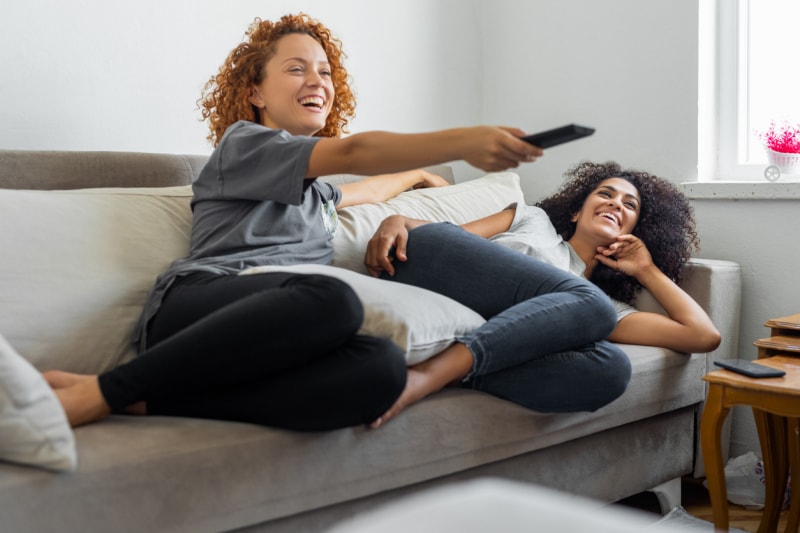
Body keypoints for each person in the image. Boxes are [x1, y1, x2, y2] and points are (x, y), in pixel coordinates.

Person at [43, 13, 545, 431]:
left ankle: (147, 402)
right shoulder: (244, 145)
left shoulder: (317, 193)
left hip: (276, 330)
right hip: (199, 308)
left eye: (326, 72)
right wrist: (462, 142)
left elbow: (363, 189)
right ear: (256, 93)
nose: (318, 82)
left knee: (380, 367)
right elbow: (356, 152)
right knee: (331, 297)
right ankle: (106, 389)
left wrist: (415, 176)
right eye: (297, 68)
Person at [364, 161, 721, 427]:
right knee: (593, 307)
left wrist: (646, 269)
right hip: (437, 271)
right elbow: (450, 238)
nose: (616, 204)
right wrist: (399, 220)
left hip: (487, 327)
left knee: (612, 368)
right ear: (578, 209)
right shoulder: (532, 219)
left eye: (630, 206)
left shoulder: (598, 304)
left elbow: (702, 336)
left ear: (634, 230)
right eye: (606, 194)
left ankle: (461, 370)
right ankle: (431, 374)